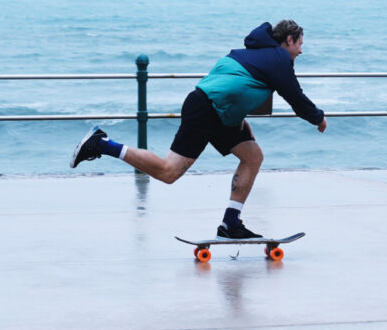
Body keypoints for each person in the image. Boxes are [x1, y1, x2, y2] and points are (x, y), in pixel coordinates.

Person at [70, 20, 327, 239]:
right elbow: (296, 98)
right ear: (289, 40)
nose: (301, 51)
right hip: (207, 109)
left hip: (218, 110)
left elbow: (238, 85)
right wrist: (318, 119)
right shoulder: (279, 58)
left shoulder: (253, 53)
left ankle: (231, 223)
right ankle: (102, 144)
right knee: (169, 172)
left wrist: (239, 118)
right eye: (301, 44)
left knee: (253, 156)